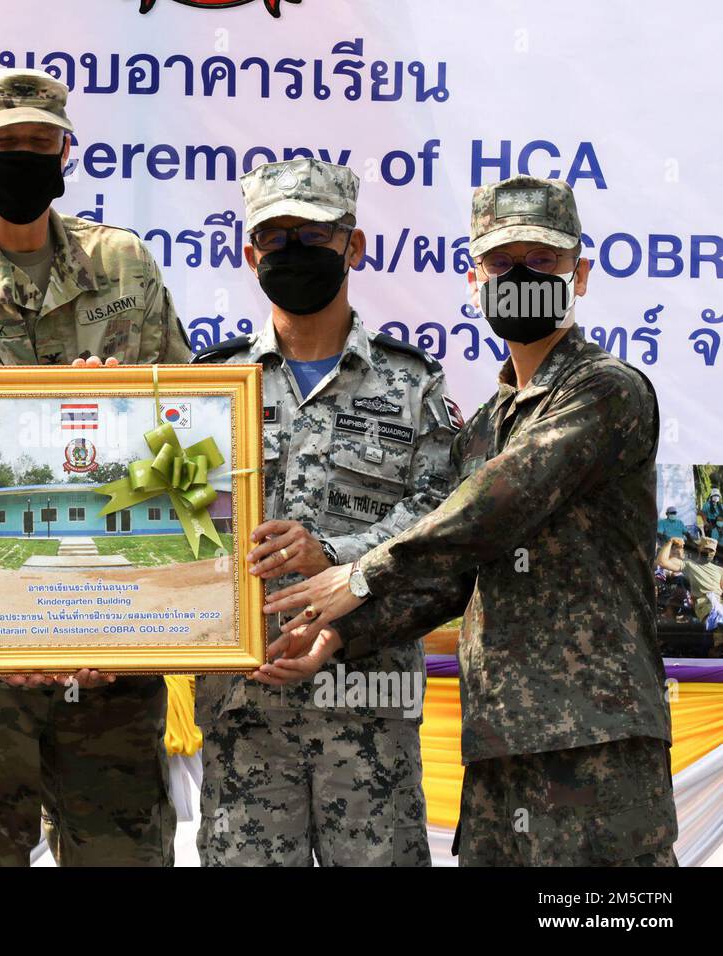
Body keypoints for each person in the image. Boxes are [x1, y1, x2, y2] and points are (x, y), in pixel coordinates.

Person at [264, 176, 678, 866]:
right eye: (501, 262)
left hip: (596, 742)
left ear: (580, 274)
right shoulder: (485, 423)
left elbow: (492, 509)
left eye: (541, 261)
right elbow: (451, 576)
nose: (520, 276)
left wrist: (360, 575)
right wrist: (339, 637)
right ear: (472, 279)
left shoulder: (604, 390)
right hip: (502, 743)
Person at [0, 68, 192, 866]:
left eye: (37, 143)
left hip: (113, 661)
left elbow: (187, 453)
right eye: (2, 144)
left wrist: (129, 417)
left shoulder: (126, 268)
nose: (21, 156)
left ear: (66, 151)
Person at [189, 158, 460, 866]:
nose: (294, 251)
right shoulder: (209, 386)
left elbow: (441, 521)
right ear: (250, 255)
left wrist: (336, 555)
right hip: (241, 711)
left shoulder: (412, 385)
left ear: (354, 246)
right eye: (276, 238)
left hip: (368, 708)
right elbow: (172, 533)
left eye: (314, 235)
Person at [657, 536, 723, 632]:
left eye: (711, 550)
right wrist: (670, 542)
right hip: (708, 608)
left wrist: (670, 542)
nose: (708, 552)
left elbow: (662, 562)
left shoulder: (718, 569)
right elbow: (662, 562)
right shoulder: (689, 565)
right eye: (706, 549)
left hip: (714, 608)